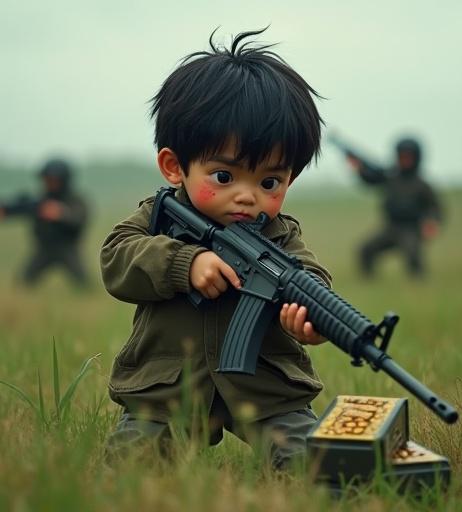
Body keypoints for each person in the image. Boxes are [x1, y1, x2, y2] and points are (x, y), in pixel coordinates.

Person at [100, 29, 332, 470]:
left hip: (267, 390)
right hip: (169, 388)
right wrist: (183, 263)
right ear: (174, 167)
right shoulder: (157, 218)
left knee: (316, 466)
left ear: (290, 180)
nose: (247, 196)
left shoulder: (278, 234)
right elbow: (116, 257)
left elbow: (309, 274)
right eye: (224, 177)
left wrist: (313, 318)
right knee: (128, 469)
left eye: (269, 182)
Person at [330, 134, 442, 277]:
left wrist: (432, 222)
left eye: (408, 157)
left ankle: (418, 285)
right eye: (401, 157)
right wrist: (359, 169)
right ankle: (369, 283)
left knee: (413, 254)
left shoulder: (422, 185)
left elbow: (435, 208)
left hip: (411, 229)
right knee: (365, 250)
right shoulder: (391, 176)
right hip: (391, 227)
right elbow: (371, 179)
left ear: (416, 158)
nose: (404, 160)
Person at [0, 158, 89, 286]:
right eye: (47, 179)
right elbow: (21, 208)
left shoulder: (75, 200)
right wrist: (6, 211)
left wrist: (61, 214)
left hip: (67, 248)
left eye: (53, 180)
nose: (49, 183)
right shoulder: (41, 200)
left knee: (83, 284)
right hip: (44, 249)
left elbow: (79, 219)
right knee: (24, 283)